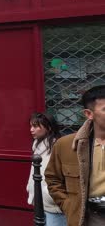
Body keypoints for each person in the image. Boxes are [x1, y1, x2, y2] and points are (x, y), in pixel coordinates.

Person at [45, 85, 105, 226]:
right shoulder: (66, 145)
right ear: (89, 114)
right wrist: (69, 205)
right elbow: (53, 179)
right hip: (90, 218)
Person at [26, 112, 66, 226]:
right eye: (31, 126)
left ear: (48, 127)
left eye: (35, 126)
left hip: (53, 203)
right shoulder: (38, 146)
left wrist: (49, 194)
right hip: (41, 200)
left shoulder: (57, 146)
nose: (31, 130)